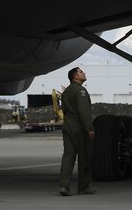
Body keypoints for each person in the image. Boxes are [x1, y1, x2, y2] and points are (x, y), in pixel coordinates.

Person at [59, 67, 97, 196]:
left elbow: (64, 110)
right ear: (75, 77)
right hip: (79, 128)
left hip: (67, 126)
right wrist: (89, 128)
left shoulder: (66, 91)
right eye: (81, 72)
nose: (84, 73)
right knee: (84, 157)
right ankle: (84, 186)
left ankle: (64, 186)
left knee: (68, 157)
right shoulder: (81, 91)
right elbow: (84, 112)